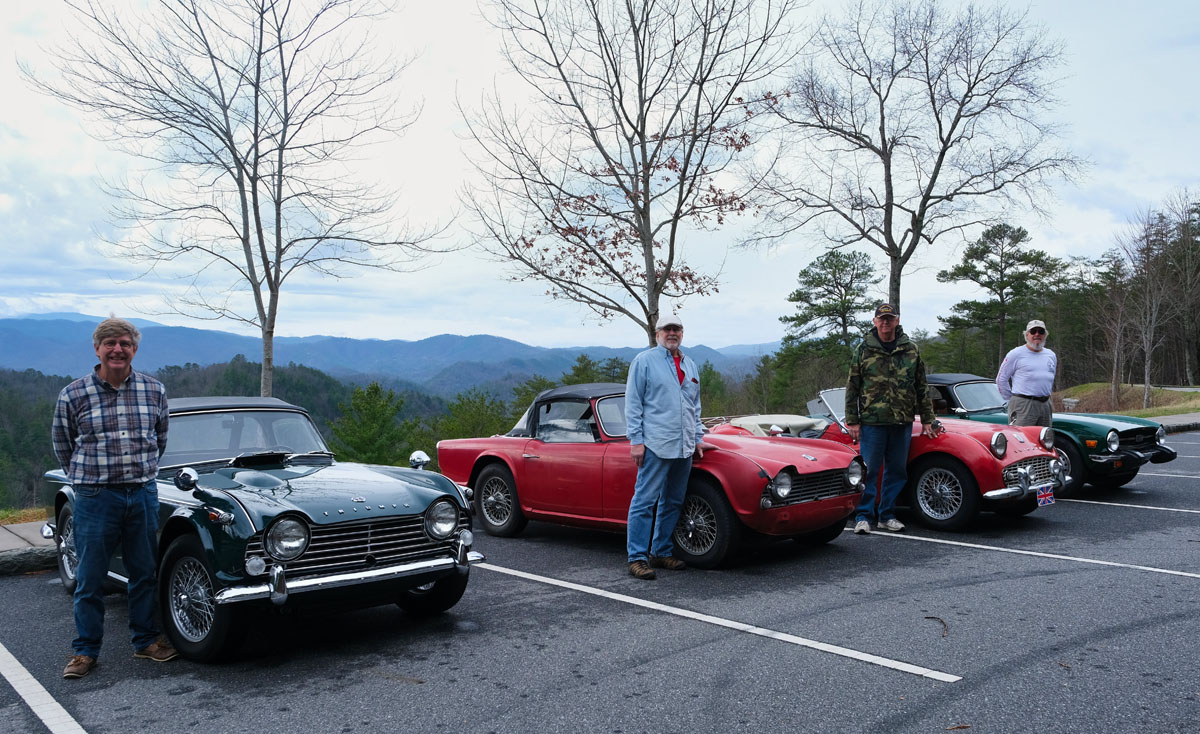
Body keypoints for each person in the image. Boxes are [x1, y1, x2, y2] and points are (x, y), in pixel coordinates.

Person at [51, 317, 178, 679]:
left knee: (143, 572)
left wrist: (141, 474)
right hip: (95, 497)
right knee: (90, 577)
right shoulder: (74, 394)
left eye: (124, 343)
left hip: (141, 493)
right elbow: (63, 445)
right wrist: (86, 479)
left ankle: (145, 641)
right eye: (110, 344)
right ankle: (85, 651)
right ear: (97, 349)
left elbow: (160, 439)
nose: (117, 350)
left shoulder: (154, 390)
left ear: (134, 349)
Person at [624, 313, 710, 580]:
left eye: (677, 329)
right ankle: (637, 558)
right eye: (667, 329)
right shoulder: (644, 361)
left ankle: (661, 551)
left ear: (682, 333)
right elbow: (633, 402)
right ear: (658, 333)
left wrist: (697, 437)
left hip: (684, 446)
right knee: (644, 501)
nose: (672, 333)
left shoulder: (690, 364)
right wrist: (636, 441)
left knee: (673, 501)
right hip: (655, 444)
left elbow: (694, 406)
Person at [844, 303, 940, 535]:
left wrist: (928, 418)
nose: (885, 322)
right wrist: (852, 420)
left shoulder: (910, 349)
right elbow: (852, 386)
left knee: (896, 471)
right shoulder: (864, 349)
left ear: (897, 321)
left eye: (890, 318)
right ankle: (864, 516)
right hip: (872, 422)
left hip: (902, 421)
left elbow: (921, 386)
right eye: (882, 319)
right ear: (875, 322)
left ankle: (887, 515)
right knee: (869, 471)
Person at [996, 319, 1057, 427]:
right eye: (1033, 331)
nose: (1037, 334)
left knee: (1044, 436)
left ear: (1045, 335)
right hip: (1023, 405)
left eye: (1041, 331)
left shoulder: (1051, 355)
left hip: (1045, 404)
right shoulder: (1016, 354)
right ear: (1027, 335)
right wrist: (1012, 399)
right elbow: (1001, 379)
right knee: (1021, 436)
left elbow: (1050, 378)